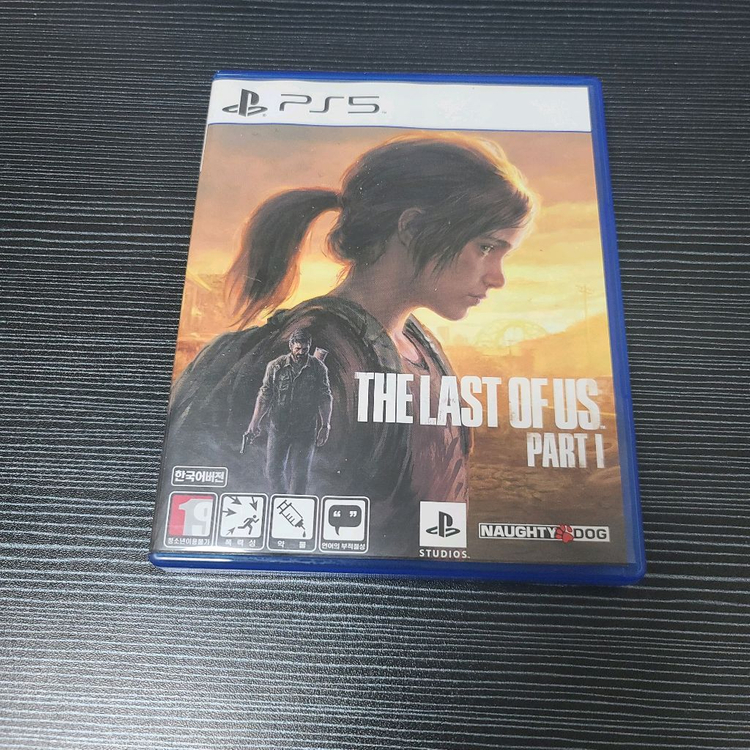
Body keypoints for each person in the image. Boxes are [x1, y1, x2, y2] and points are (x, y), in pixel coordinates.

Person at [169, 133, 536, 554]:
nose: (497, 278)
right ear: (413, 228)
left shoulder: (418, 344)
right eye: (486, 247)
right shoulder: (319, 350)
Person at [245, 329, 332, 494]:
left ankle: (296, 503)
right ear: (291, 346)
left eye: (305, 349)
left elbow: (325, 397)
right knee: (273, 470)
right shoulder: (276, 366)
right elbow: (265, 396)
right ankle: (281, 500)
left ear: (309, 346)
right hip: (279, 427)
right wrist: (254, 423)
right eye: (297, 349)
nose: (301, 353)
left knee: (300, 473)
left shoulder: (318, 367)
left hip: (305, 429)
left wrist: (325, 425)